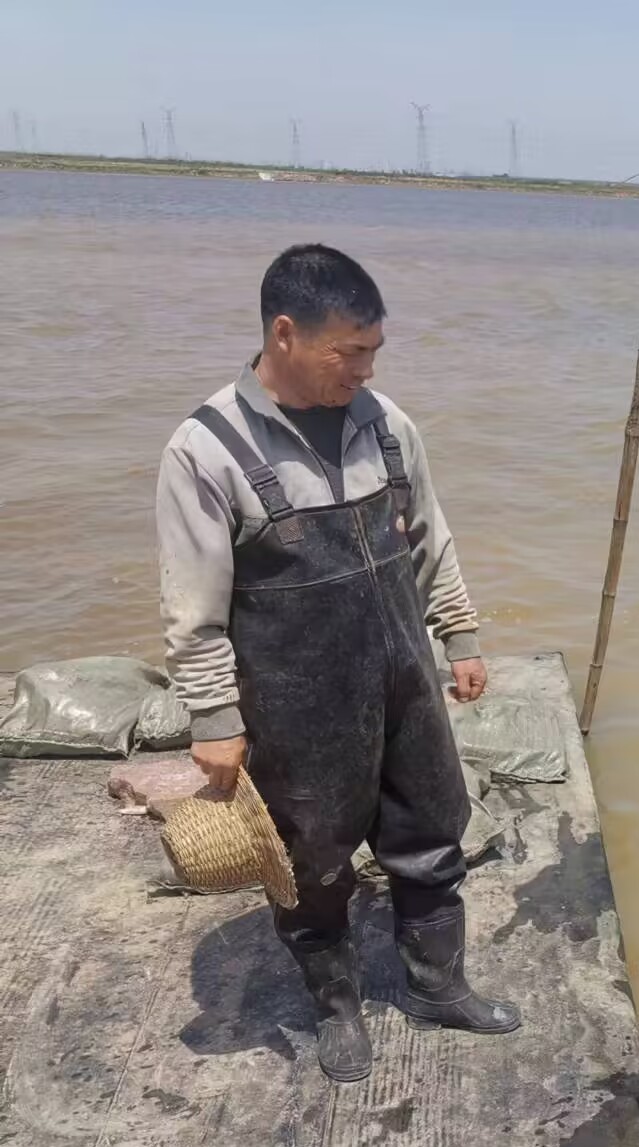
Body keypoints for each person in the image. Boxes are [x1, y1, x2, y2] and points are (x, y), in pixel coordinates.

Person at [157, 244, 519, 1084]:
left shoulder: (386, 423)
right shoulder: (206, 448)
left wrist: (459, 635)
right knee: (313, 862)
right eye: (347, 351)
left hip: (403, 679)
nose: (364, 370)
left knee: (431, 831)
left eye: (373, 351)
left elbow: (430, 538)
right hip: (296, 701)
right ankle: (337, 1005)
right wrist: (214, 718)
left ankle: (437, 986)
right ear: (285, 334)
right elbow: (191, 604)